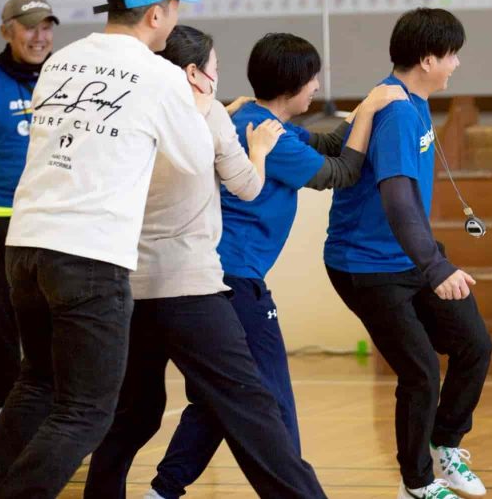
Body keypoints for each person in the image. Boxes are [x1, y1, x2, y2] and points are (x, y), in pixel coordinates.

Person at [0, 0, 214, 497]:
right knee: (86, 411)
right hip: (89, 256)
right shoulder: (161, 76)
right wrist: (201, 101)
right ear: (156, 14)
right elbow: (195, 159)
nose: (175, 16)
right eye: (174, 6)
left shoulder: (61, 61)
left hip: (26, 246)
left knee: (37, 384)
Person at [149, 32, 406, 498]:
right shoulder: (273, 137)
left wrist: (365, 110)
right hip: (235, 280)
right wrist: (369, 112)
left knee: (217, 398)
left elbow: (328, 142)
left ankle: (162, 492)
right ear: (293, 86)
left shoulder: (257, 119)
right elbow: (342, 172)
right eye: (313, 79)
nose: (317, 87)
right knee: (270, 395)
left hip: (215, 278)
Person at [83, 25, 328, 498]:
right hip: (191, 287)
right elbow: (249, 187)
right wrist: (258, 149)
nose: (219, 77)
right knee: (253, 404)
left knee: (134, 413)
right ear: (194, 73)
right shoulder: (211, 116)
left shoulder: (128, 116)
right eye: (214, 68)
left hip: (131, 286)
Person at [325, 8, 492, 499]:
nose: (456, 64)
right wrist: (436, 266)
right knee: (420, 372)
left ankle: (445, 445)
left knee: (474, 345)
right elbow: (397, 200)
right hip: (366, 265)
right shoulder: (396, 112)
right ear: (427, 59)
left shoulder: (412, 101)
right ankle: (416, 483)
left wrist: (429, 259)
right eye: (451, 55)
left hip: (407, 257)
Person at [0, 0, 59, 440]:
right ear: (7, 31)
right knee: (0, 324)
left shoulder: (66, 81)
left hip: (54, 222)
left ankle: (53, 421)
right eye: (30, 26)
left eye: (46, 26)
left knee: (54, 323)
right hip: (0, 222)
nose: (40, 36)